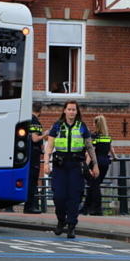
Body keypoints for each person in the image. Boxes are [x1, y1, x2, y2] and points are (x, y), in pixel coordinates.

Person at [42, 100, 97, 239]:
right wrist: (46, 163)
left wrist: (95, 165)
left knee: (74, 197)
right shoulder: (57, 126)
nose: (71, 112)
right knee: (58, 196)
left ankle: (71, 225)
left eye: (74, 110)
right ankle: (61, 220)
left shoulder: (82, 127)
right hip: (60, 165)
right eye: (69, 109)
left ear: (77, 112)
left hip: (76, 166)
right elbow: (49, 147)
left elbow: (90, 147)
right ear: (64, 111)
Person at [81, 115, 116, 216]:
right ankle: (85, 208)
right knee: (94, 185)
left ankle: (97, 208)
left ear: (96, 124)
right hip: (105, 161)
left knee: (94, 185)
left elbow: (92, 151)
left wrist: (86, 165)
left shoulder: (95, 136)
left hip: (97, 161)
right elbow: (111, 148)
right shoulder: (107, 136)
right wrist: (115, 157)